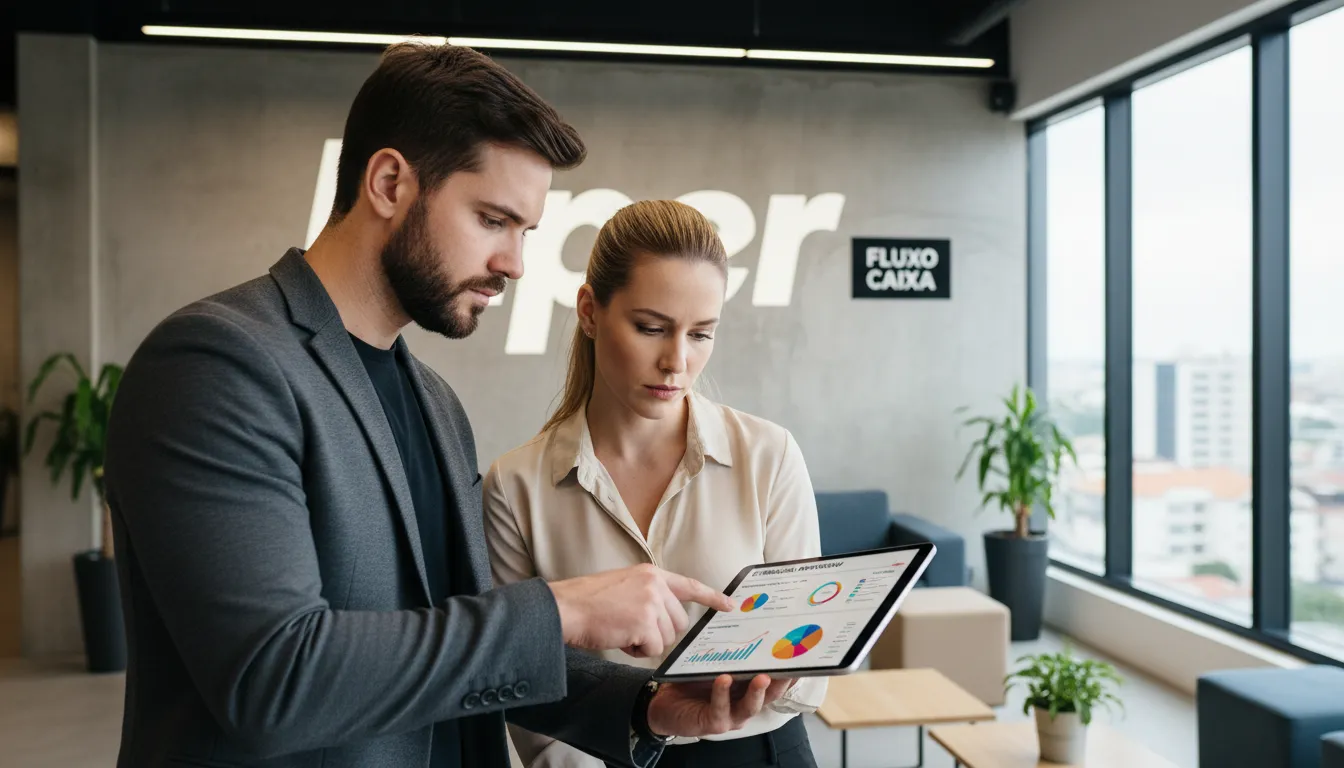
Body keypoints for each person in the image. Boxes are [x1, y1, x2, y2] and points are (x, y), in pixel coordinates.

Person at [103, 43, 795, 768]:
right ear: (390, 182)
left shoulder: (435, 404)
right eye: (493, 220)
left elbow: (467, 654)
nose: (515, 264)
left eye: (525, 232)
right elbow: (273, 678)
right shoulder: (216, 366)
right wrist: (562, 609)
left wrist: (646, 705)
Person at [483, 200, 827, 768]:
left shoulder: (769, 456)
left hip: (761, 753)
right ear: (590, 312)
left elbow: (808, 674)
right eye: (651, 328)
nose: (677, 362)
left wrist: (780, 666)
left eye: (701, 334)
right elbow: (518, 684)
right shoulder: (515, 486)